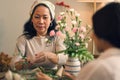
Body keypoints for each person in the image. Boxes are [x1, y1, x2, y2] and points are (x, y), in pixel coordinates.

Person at [36, 2, 120, 80]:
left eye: (94, 30)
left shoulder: (98, 68)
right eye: (37, 17)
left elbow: (63, 58)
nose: (92, 35)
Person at [10, 0, 67, 70]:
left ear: (51, 20)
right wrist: (27, 61)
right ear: (32, 19)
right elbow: (13, 65)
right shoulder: (23, 39)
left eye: (45, 17)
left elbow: (65, 59)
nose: (41, 21)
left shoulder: (57, 37)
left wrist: (48, 55)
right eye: (37, 17)